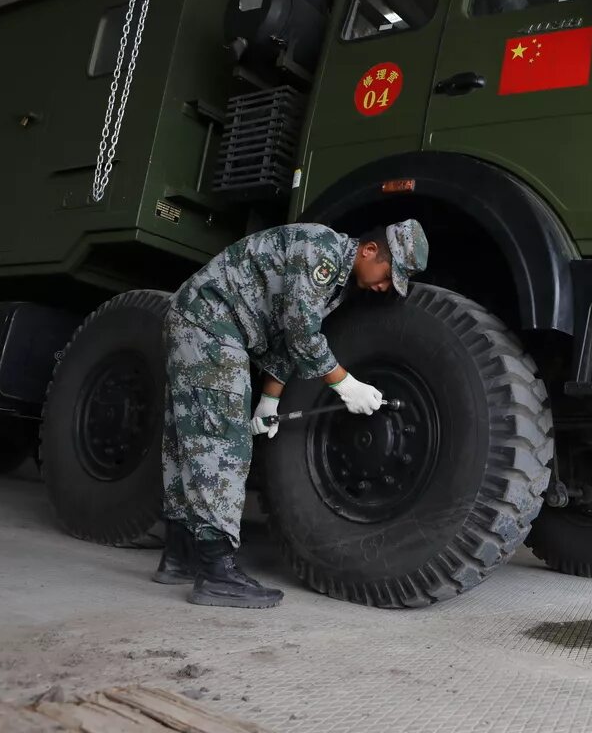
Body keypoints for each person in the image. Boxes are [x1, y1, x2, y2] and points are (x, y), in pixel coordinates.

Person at [153, 220, 429, 608]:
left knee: (190, 438)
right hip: (209, 324)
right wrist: (345, 385)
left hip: (200, 322)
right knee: (222, 443)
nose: (386, 287)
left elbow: (285, 341)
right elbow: (302, 333)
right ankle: (217, 574)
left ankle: (180, 556)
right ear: (369, 251)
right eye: (389, 275)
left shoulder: (334, 284)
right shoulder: (322, 252)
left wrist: (269, 401)